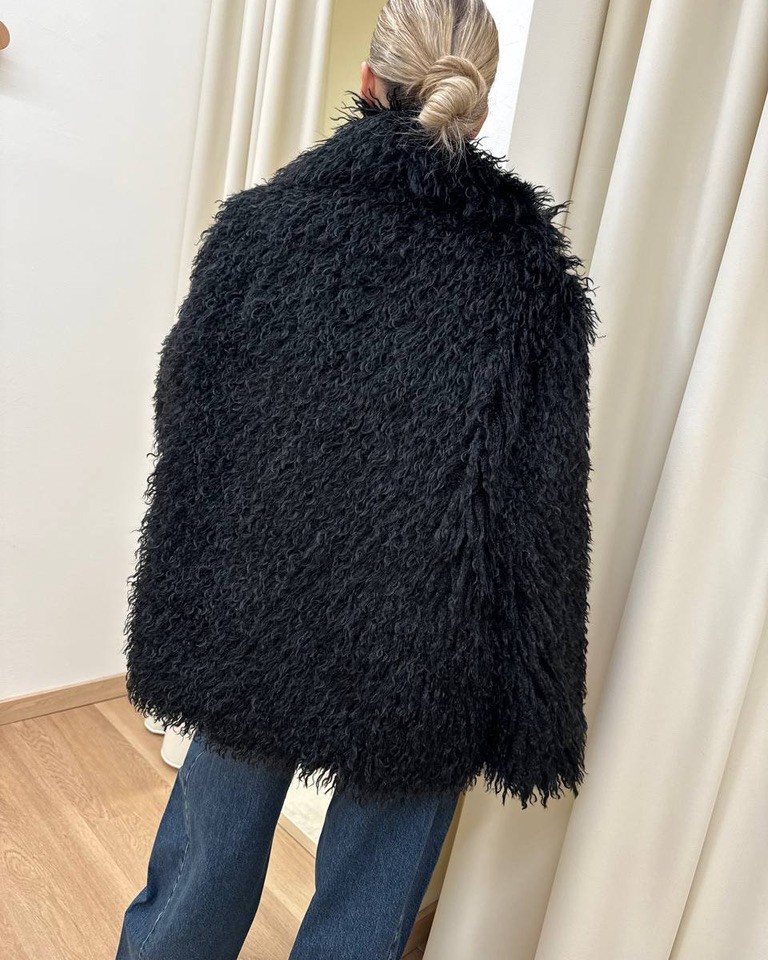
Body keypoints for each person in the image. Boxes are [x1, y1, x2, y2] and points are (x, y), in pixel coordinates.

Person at [116, 1, 599, 957]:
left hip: (257, 593)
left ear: (370, 83)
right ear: (480, 102)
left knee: (204, 866)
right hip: (430, 631)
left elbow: (190, 407)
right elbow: (543, 506)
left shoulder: (264, 227)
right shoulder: (528, 273)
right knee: (367, 908)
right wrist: (533, 686)